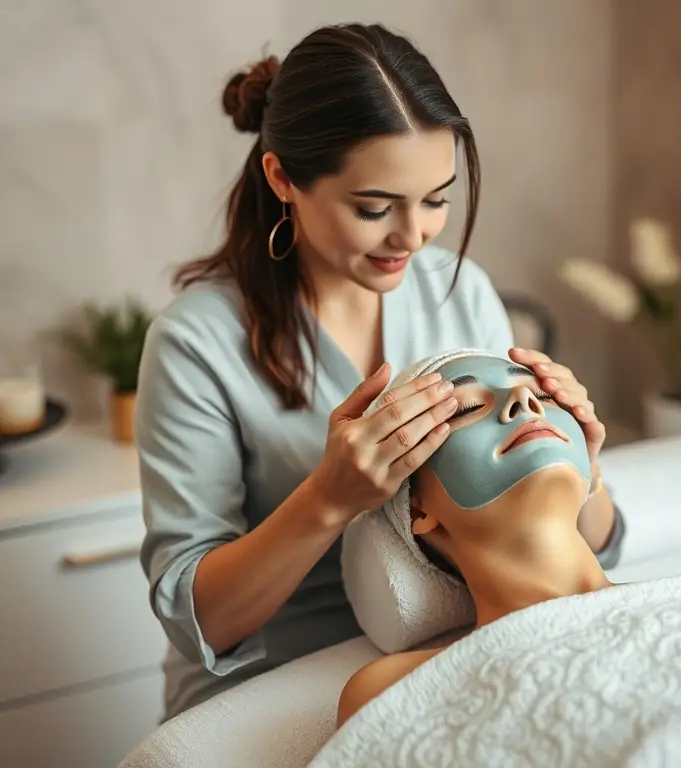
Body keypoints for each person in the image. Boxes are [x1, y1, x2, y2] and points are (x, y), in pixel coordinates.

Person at [135, 23, 623, 721]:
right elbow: (200, 621)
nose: (415, 236)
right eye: (374, 208)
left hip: (451, 644)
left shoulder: (458, 290)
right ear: (282, 178)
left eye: (436, 199)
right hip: (275, 682)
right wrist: (328, 498)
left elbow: (589, 537)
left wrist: (580, 454)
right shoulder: (195, 344)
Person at [335, 351, 681, 727]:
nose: (527, 403)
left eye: (546, 397)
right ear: (419, 509)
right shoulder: (396, 692)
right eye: (467, 408)